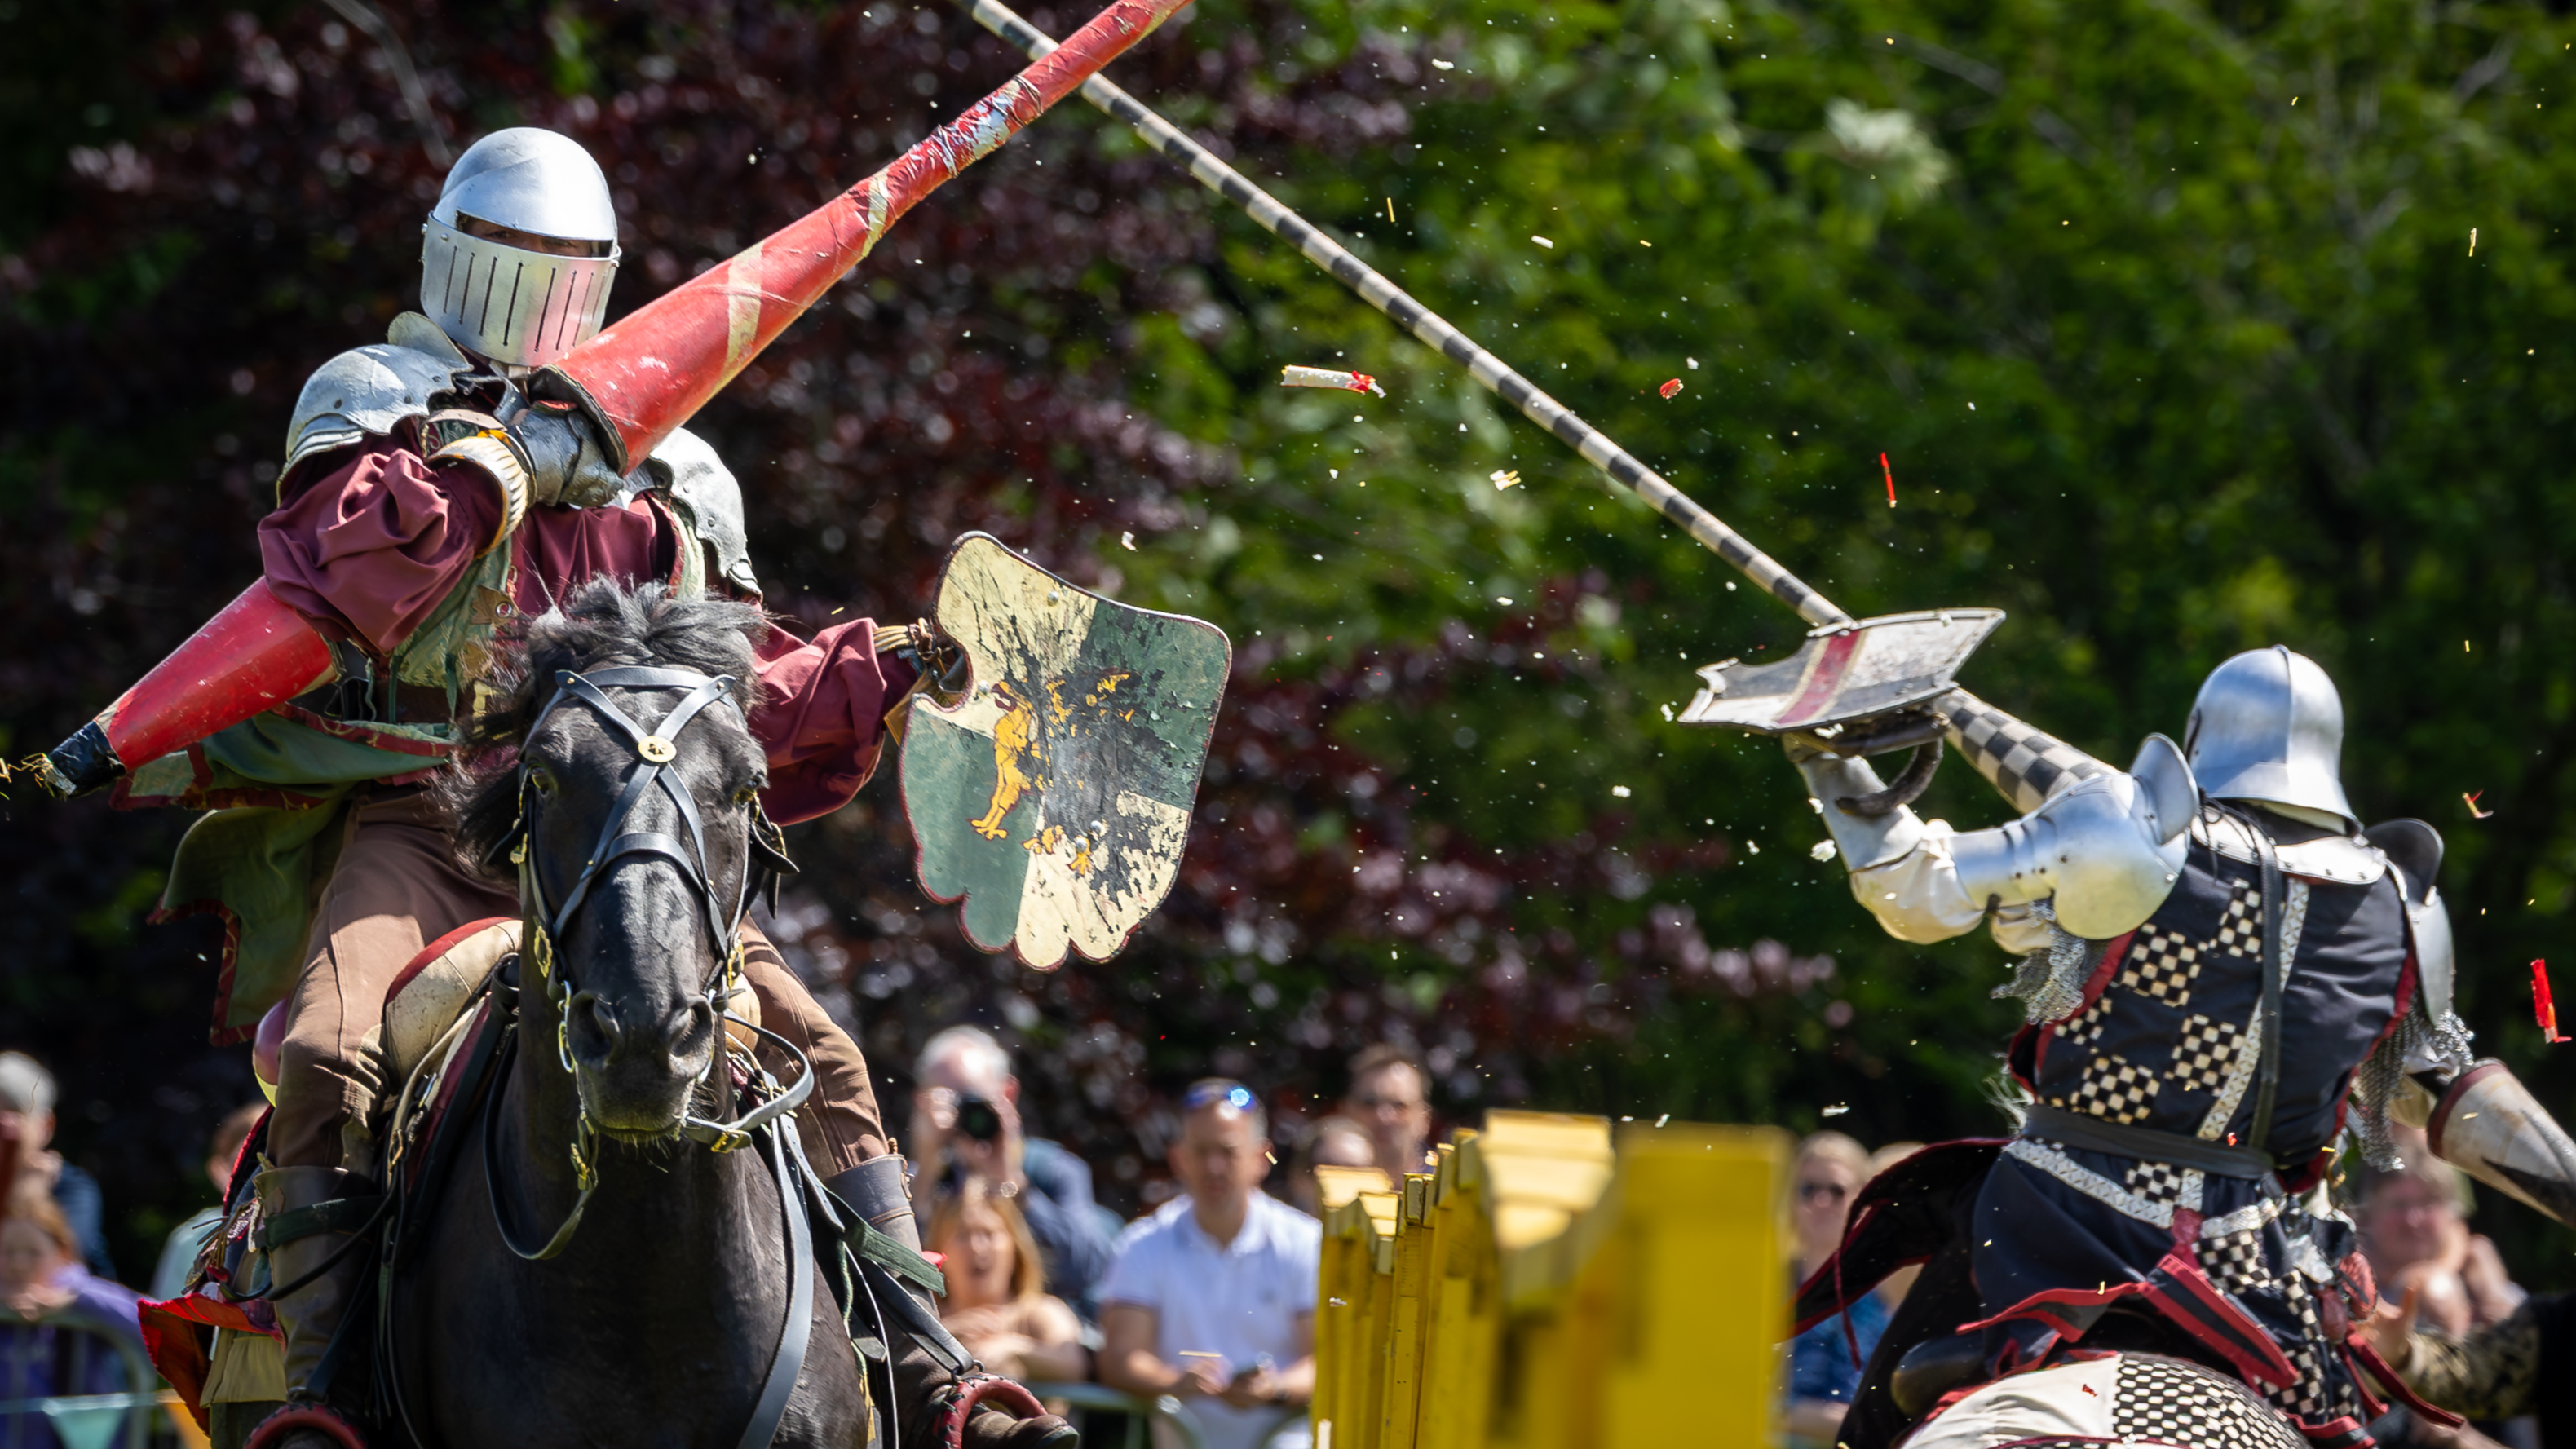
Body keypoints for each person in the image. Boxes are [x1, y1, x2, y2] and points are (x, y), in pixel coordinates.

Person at [29, 126, 1062, 1448]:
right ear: (447, 258)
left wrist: (887, 665)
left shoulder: (679, 466)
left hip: (623, 829)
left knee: (831, 1058)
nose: (528, 291)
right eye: (507, 261)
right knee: (337, 1048)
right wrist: (492, 459)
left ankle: (934, 1380)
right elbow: (348, 576)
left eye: (557, 267)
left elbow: (723, 700)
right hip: (416, 815)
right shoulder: (373, 398)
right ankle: (322, 1399)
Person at [1783, 647, 2576, 1447]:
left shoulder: (2126, 829)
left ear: (2201, 733)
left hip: (2059, 1225)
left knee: (1878, 1426)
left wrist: (1826, 754)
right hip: (2258, 1271)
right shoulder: (2401, 902)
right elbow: (2455, 1096)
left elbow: (1913, 889)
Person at [1098, 1080, 1319, 1449]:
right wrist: (1174, 1382)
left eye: (1227, 1151)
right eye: (1201, 1151)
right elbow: (1121, 1357)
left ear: (1260, 1158)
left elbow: (1327, 1360)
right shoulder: (1142, 1244)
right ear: (1178, 1158)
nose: (1214, 1166)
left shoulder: (1303, 1241)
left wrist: (1274, 1390)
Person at [909, 1027, 1115, 1314]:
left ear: (1007, 1092)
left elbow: (1088, 1269)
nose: (964, 1115)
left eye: (973, 1099)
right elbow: (899, 1276)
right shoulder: (912, 1180)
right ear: (921, 1103)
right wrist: (926, 1174)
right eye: (948, 1101)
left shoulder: (1053, 1169)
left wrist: (1012, 1183)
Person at [2, 1186, 148, 1449]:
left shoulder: (83, 1294)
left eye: (33, 1252)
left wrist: (76, 1298)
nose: (19, 1263)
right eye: (8, 1252)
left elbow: (155, 1320)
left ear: (63, 1253)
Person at [926, 1177, 1088, 1385]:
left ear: (1015, 1248)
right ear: (940, 1249)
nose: (976, 1248)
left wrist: (1013, 1349)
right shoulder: (927, 1315)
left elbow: (1074, 1364)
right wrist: (945, 1334)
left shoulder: (1038, 1312)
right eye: (962, 1235)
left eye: (989, 1234)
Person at [1785, 1133, 1887, 1448]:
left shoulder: (1882, 1295)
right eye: (1808, 1189)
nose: (1821, 1202)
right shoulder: (1759, 1287)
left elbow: (1864, 1418)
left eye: (1837, 1190)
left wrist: (1773, 1411)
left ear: (1862, 1199)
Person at [0, 1054, 112, 1279]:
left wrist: (31, 1199)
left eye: (14, 1113)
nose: (4, 1127)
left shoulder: (71, 1188)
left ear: (46, 1126)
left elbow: (59, 1268)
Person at [150, 1102, 265, 1302]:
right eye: (248, 1164)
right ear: (217, 1170)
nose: (258, 1177)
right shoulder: (191, 1239)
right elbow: (170, 1318)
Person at [1339, 1045, 1433, 1182]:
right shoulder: (1319, 1189)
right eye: (1369, 1103)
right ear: (1347, 1113)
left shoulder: (1442, 1194)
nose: (1383, 1117)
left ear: (1425, 1120)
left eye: (1399, 1105)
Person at [1288, 1115, 1377, 1217]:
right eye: (1326, 1170)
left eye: (1354, 1172)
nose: (1339, 1183)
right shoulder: (1277, 1230)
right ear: (1299, 1178)